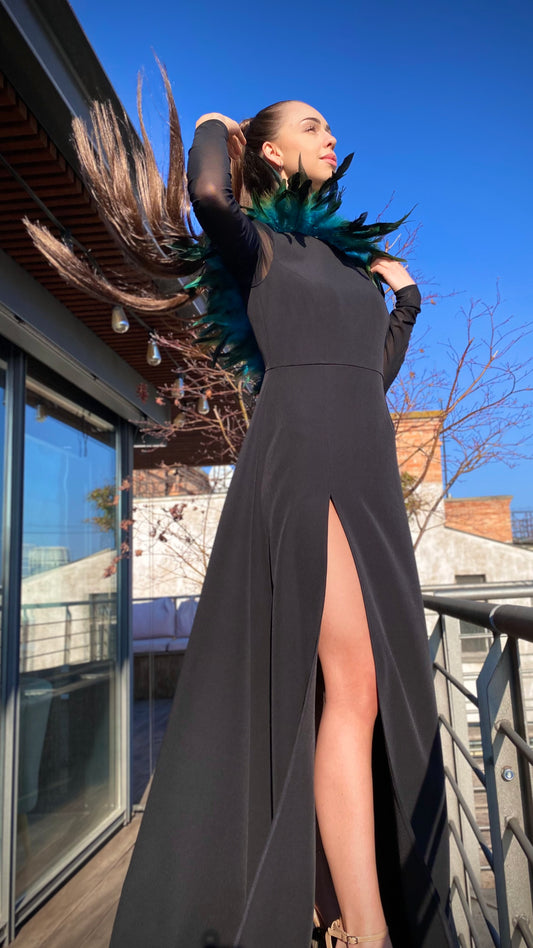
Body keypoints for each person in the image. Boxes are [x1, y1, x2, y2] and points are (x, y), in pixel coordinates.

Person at [26, 76, 459, 948]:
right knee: (355, 687)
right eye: (311, 124)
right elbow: (207, 194)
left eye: (331, 125)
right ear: (269, 149)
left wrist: (404, 300)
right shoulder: (253, 245)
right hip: (306, 459)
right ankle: (367, 927)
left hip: (366, 463)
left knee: (352, 688)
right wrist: (212, 126)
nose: (330, 136)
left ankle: (334, 902)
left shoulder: (344, 261)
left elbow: (368, 376)